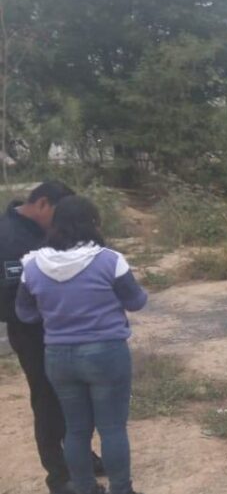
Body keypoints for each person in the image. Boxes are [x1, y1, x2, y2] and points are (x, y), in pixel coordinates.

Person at [17, 196, 147, 494]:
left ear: (56, 225)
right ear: (92, 223)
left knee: (75, 430)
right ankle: (121, 489)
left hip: (58, 357)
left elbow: (25, 313)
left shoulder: (33, 265)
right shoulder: (109, 260)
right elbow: (136, 301)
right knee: (112, 428)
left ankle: (85, 488)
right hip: (106, 354)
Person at [0, 181, 79, 494]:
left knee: (73, 393)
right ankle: (58, 476)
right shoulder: (8, 237)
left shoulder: (48, 230)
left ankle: (80, 454)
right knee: (46, 398)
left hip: (64, 326)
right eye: (58, 216)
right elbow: (7, 299)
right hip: (31, 331)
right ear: (42, 204)